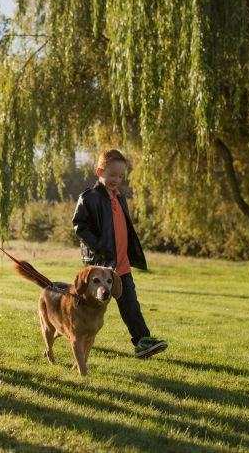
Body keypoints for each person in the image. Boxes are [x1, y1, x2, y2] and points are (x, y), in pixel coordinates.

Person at [72, 149, 168, 359]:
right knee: (88, 305)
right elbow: (79, 225)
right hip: (101, 265)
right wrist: (98, 245)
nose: (116, 179)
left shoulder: (119, 197)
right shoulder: (90, 198)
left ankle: (142, 341)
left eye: (120, 176)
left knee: (130, 302)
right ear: (100, 171)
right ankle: (76, 333)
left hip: (121, 264)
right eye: (112, 175)